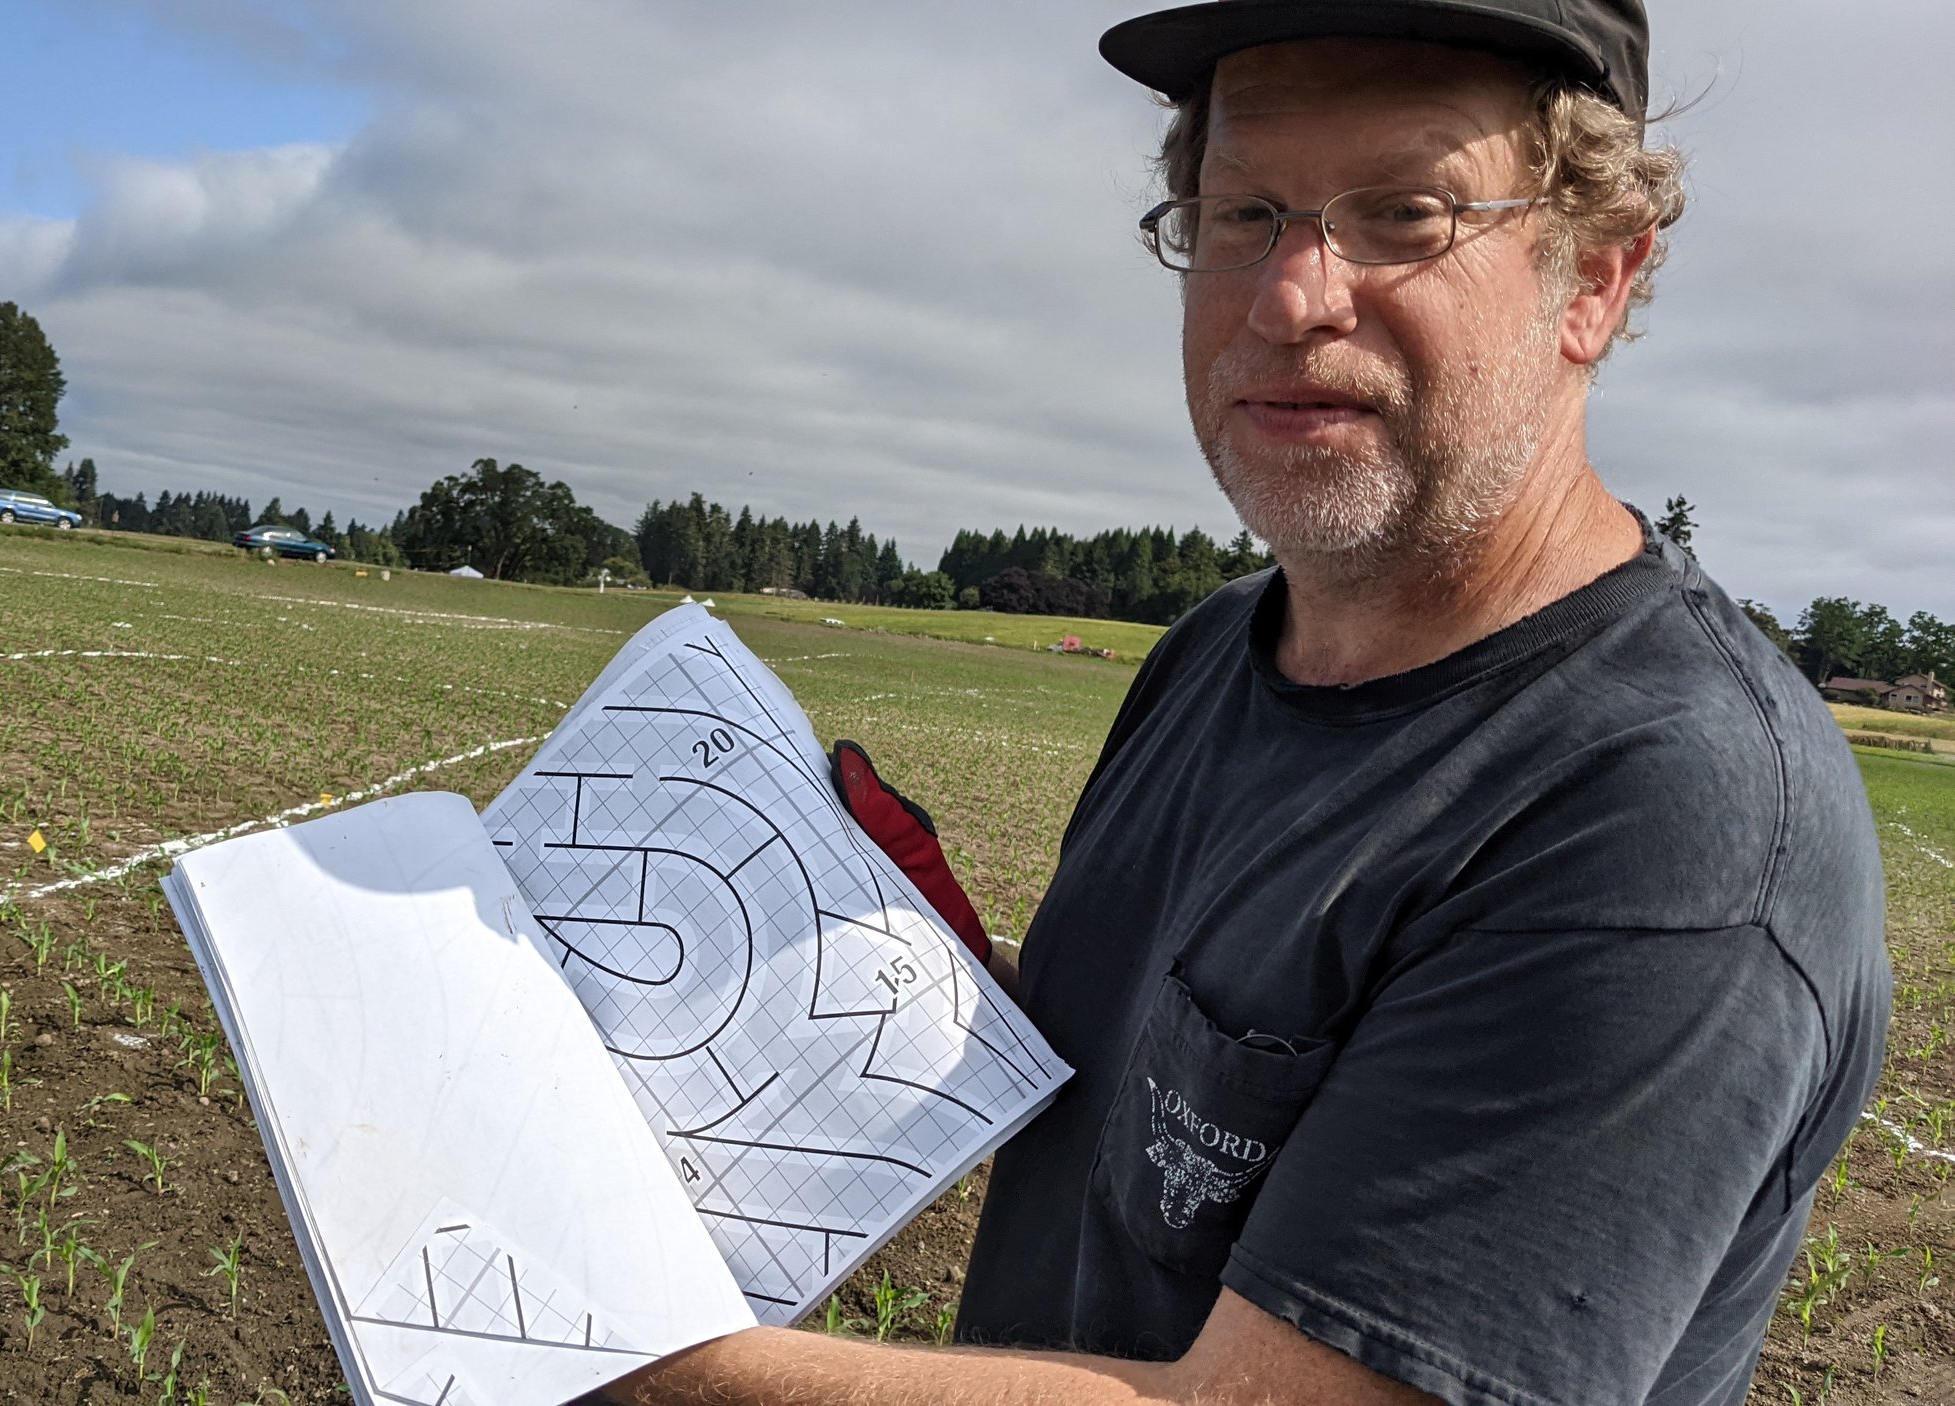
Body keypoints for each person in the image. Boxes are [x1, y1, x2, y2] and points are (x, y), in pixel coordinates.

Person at [614, 2, 1891, 1403]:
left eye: (1403, 213)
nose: (1290, 296)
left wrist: (615, 1347)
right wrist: (880, 999)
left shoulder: (1662, 813)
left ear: (1591, 273)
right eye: (1244, 212)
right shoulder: (1219, 646)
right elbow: (1129, 1131)